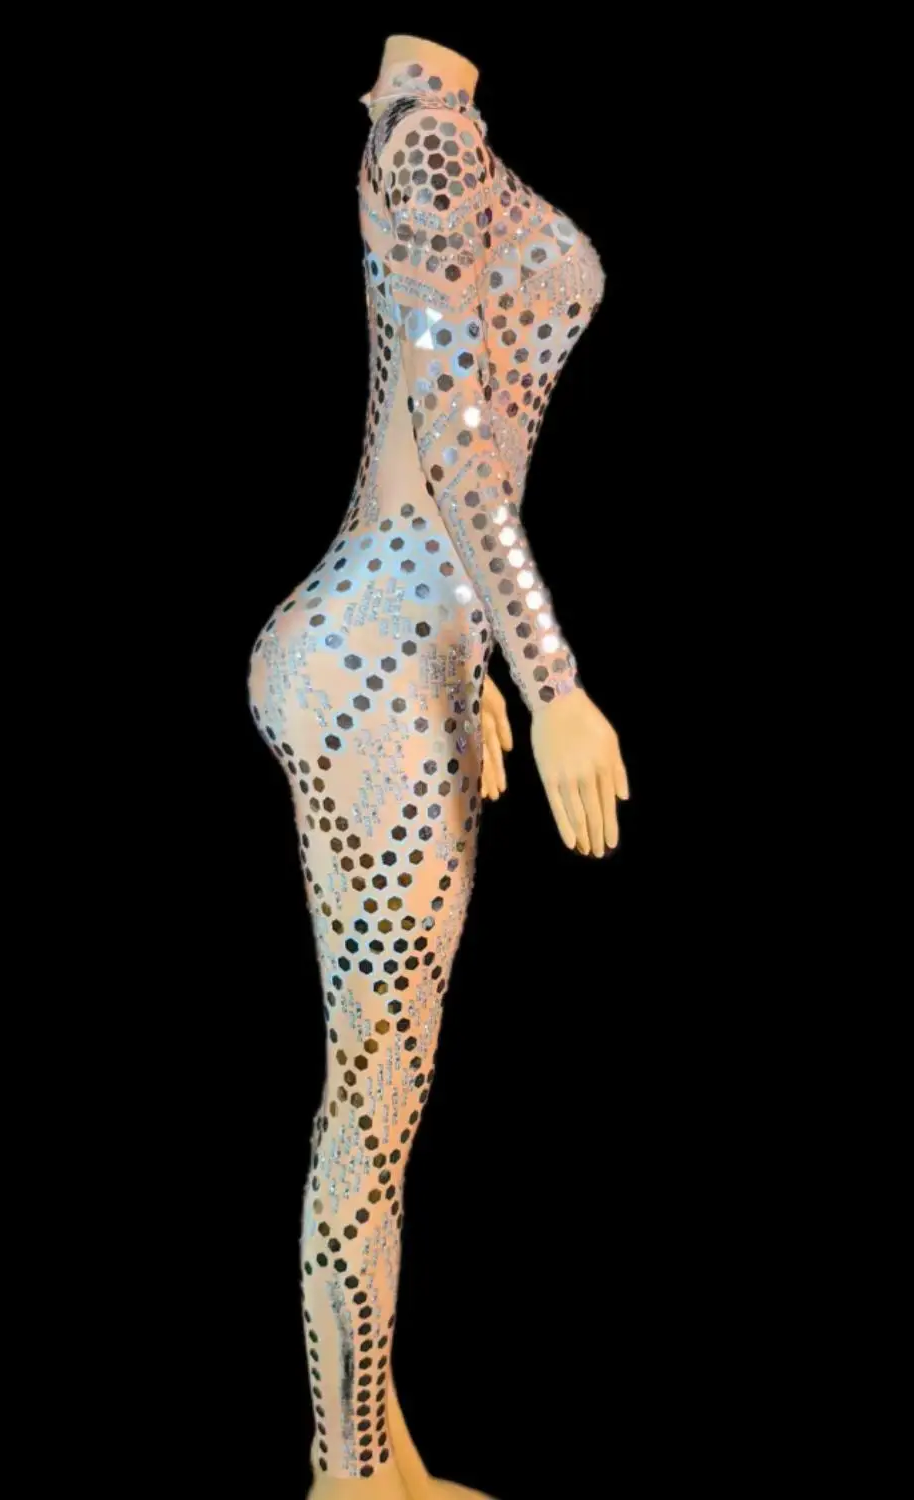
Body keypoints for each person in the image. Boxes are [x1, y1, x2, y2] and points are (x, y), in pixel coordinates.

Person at [247, 34, 629, 1499]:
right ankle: (345, 1474)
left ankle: (379, 1448)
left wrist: (476, 668)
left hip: (413, 654)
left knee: (389, 1096)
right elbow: (456, 441)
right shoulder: (425, 140)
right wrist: (555, 683)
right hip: (374, 663)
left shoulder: (437, 129)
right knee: (374, 1095)